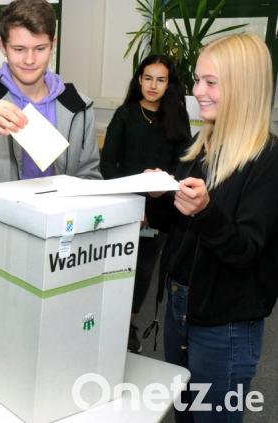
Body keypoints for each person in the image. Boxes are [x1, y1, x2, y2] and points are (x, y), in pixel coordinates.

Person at [146, 33, 278, 422]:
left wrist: (205, 212)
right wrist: (160, 198)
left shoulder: (268, 159)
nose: (197, 91)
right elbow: (177, 226)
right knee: (184, 414)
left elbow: (246, 249)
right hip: (181, 306)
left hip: (226, 324)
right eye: (197, 81)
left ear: (242, 87)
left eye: (210, 82)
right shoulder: (201, 145)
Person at [0, 0, 101, 276]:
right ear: (2, 47)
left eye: (40, 48)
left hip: (55, 242)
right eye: (19, 49)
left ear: (53, 43)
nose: (29, 60)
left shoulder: (78, 105)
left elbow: (89, 174)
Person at [100, 54, 191, 353]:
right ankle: (108, 322)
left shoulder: (177, 117)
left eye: (161, 79)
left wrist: (161, 191)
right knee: (115, 268)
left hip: (161, 209)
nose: (153, 85)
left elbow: (184, 165)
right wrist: (131, 201)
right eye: (148, 78)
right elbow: (108, 164)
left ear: (169, 84)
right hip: (125, 207)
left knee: (143, 271)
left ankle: (128, 325)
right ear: (139, 80)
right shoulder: (125, 114)